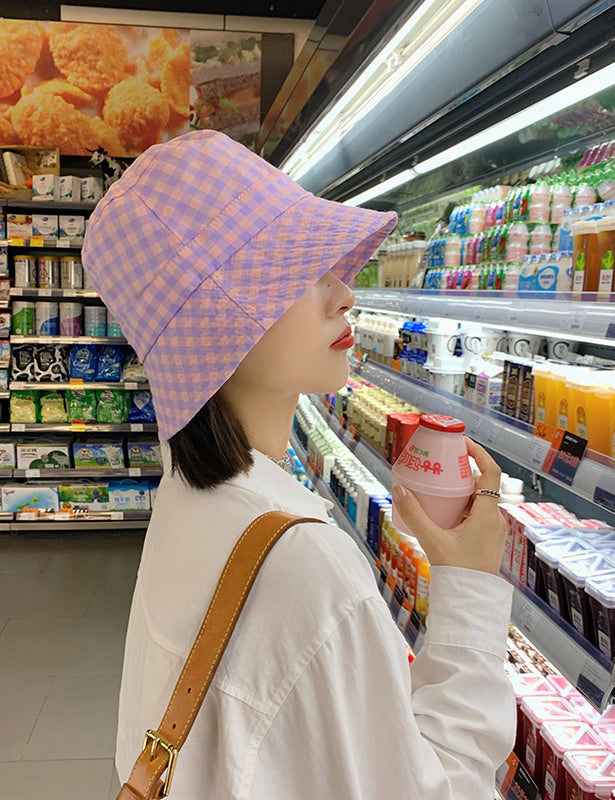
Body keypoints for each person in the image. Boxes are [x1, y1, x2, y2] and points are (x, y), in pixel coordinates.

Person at [82, 129, 515, 800]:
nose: (343, 294)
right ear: (214, 325)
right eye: (294, 271)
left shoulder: (192, 499)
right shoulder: (307, 570)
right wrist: (471, 583)